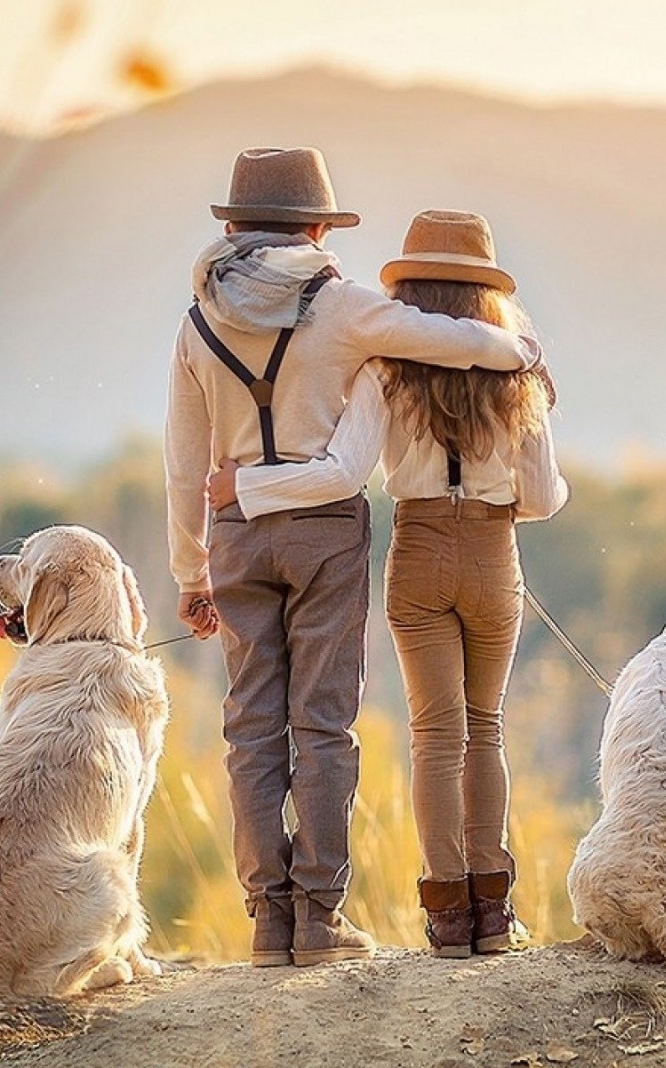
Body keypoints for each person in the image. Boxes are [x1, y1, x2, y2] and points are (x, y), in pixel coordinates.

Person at [164, 151, 543, 969]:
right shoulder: (346, 310)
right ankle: (324, 919)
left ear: (231, 227)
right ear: (315, 227)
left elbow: (183, 461)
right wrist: (523, 347)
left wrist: (192, 574)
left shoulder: (195, 321)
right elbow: (469, 346)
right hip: (329, 533)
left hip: (234, 532)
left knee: (250, 728)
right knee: (326, 725)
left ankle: (269, 922)